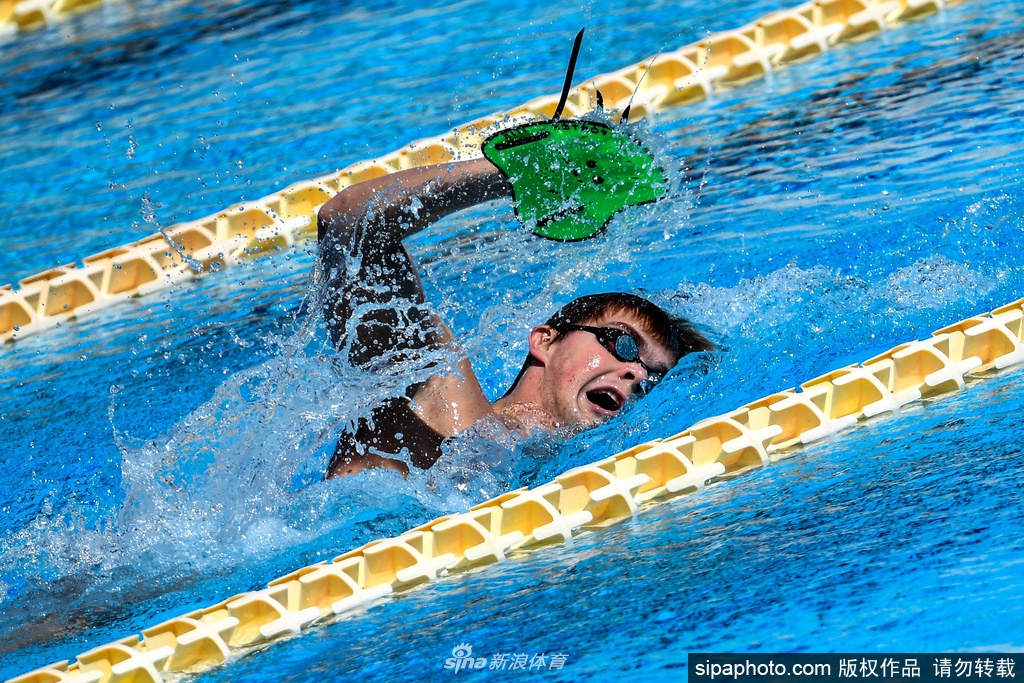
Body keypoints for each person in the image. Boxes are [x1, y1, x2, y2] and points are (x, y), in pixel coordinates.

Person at [316, 156, 712, 478]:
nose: (638, 375)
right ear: (544, 340)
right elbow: (348, 225)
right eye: (623, 344)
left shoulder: (554, 476)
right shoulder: (437, 383)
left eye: (653, 376)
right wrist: (515, 173)